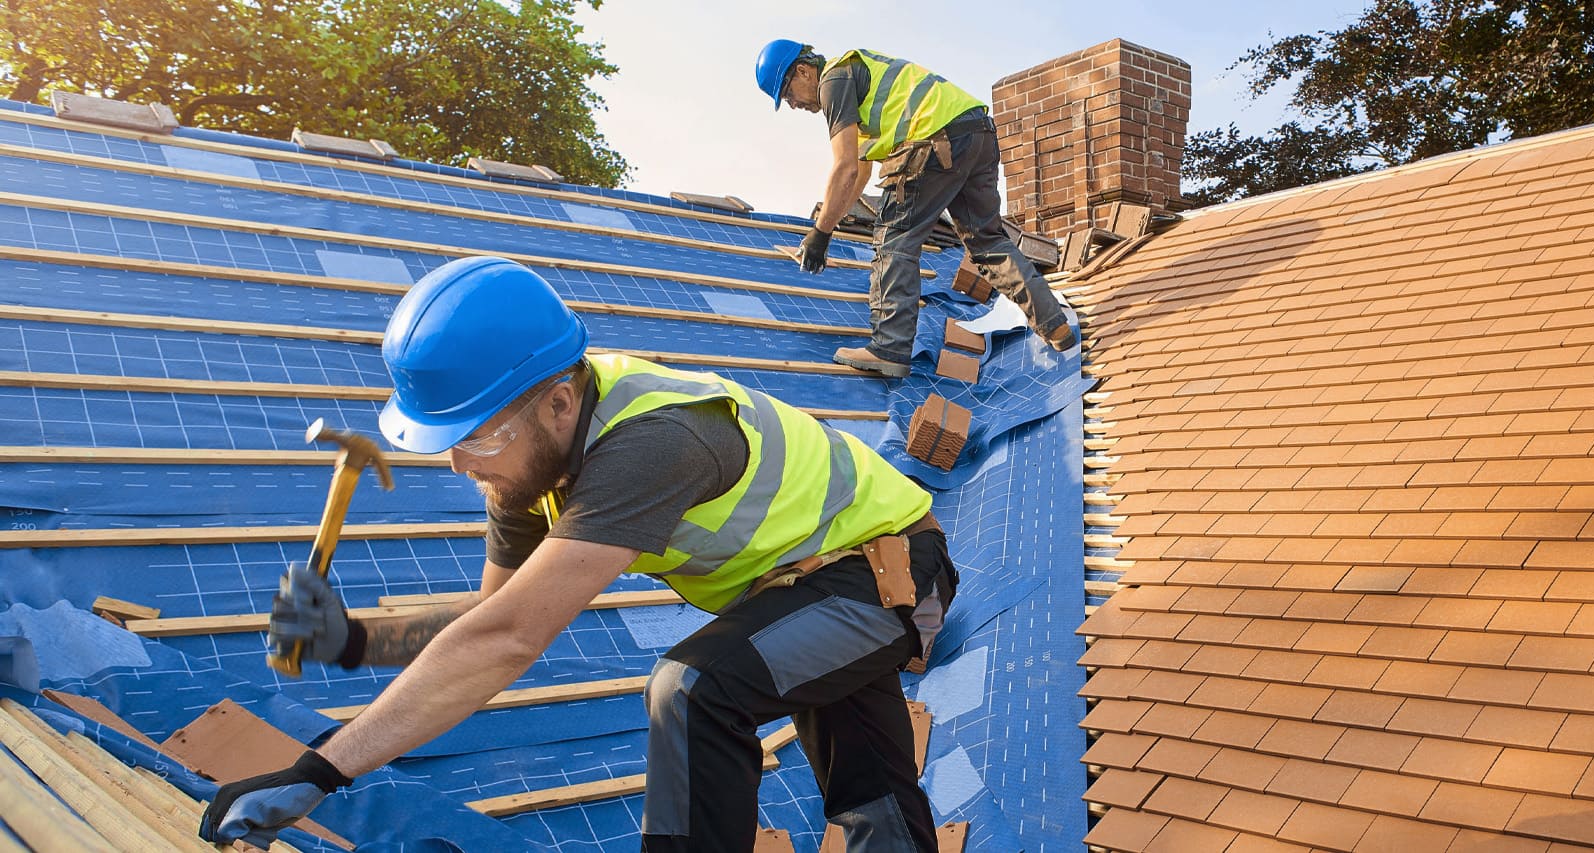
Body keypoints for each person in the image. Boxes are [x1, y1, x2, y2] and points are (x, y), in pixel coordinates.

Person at [199, 256, 956, 853]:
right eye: (449, 444)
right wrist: (358, 641)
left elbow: (505, 642)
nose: (464, 466)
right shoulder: (525, 464)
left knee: (691, 690)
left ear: (560, 401)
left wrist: (320, 769)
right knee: (873, 798)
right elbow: (489, 621)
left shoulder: (652, 444)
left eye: (479, 438)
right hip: (800, 589)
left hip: (889, 571)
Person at [755, 39, 1078, 378]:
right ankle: (1055, 326)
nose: (792, 105)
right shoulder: (859, 81)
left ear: (804, 71)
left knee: (895, 239)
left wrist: (819, 233)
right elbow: (859, 173)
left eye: (787, 93)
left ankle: (889, 348)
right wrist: (829, 227)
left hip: (935, 139)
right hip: (977, 133)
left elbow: (844, 166)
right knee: (987, 243)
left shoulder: (833, 82)